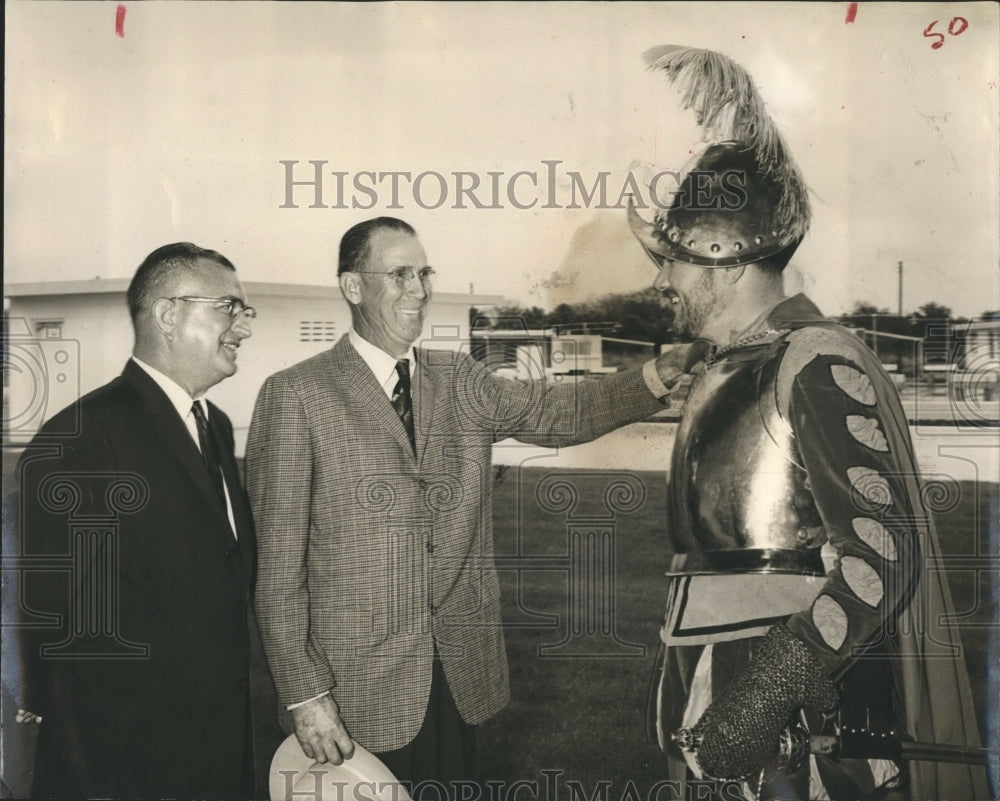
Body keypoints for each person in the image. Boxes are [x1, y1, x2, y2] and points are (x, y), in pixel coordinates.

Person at [630, 47, 989, 800]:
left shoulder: (814, 362)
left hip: (799, 730)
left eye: (676, 260)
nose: (662, 278)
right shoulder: (730, 364)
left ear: (724, 257)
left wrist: (765, 692)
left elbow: (881, 556)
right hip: (715, 701)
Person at [246, 216, 689, 797]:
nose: (420, 289)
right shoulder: (296, 394)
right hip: (353, 694)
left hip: (456, 676)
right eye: (400, 274)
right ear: (353, 287)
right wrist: (306, 695)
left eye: (424, 273)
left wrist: (656, 376)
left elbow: (558, 413)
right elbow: (276, 573)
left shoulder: (458, 377)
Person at [13, 243, 259, 799]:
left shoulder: (213, 424)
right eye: (228, 307)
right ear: (169, 315)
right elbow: (64, 647)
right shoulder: (81, 440)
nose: (243, 327)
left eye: (246, 312)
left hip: (216, 754)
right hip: (129, 771)